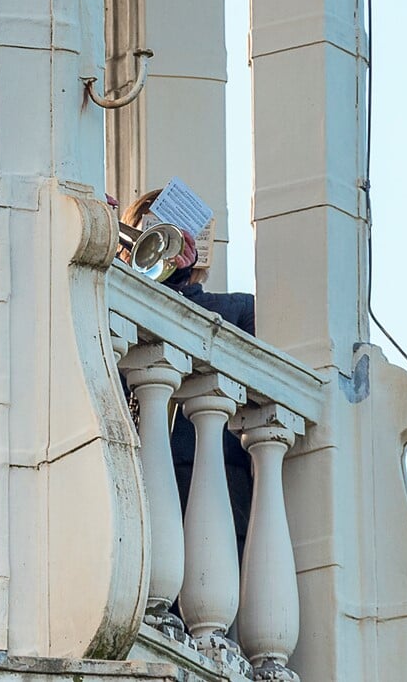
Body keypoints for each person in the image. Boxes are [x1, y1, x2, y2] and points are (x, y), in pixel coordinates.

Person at [120, 189, 254, 546]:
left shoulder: (240, 311)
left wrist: (179, 285)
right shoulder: (114, 303)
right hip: (132, 472)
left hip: (215, 479)